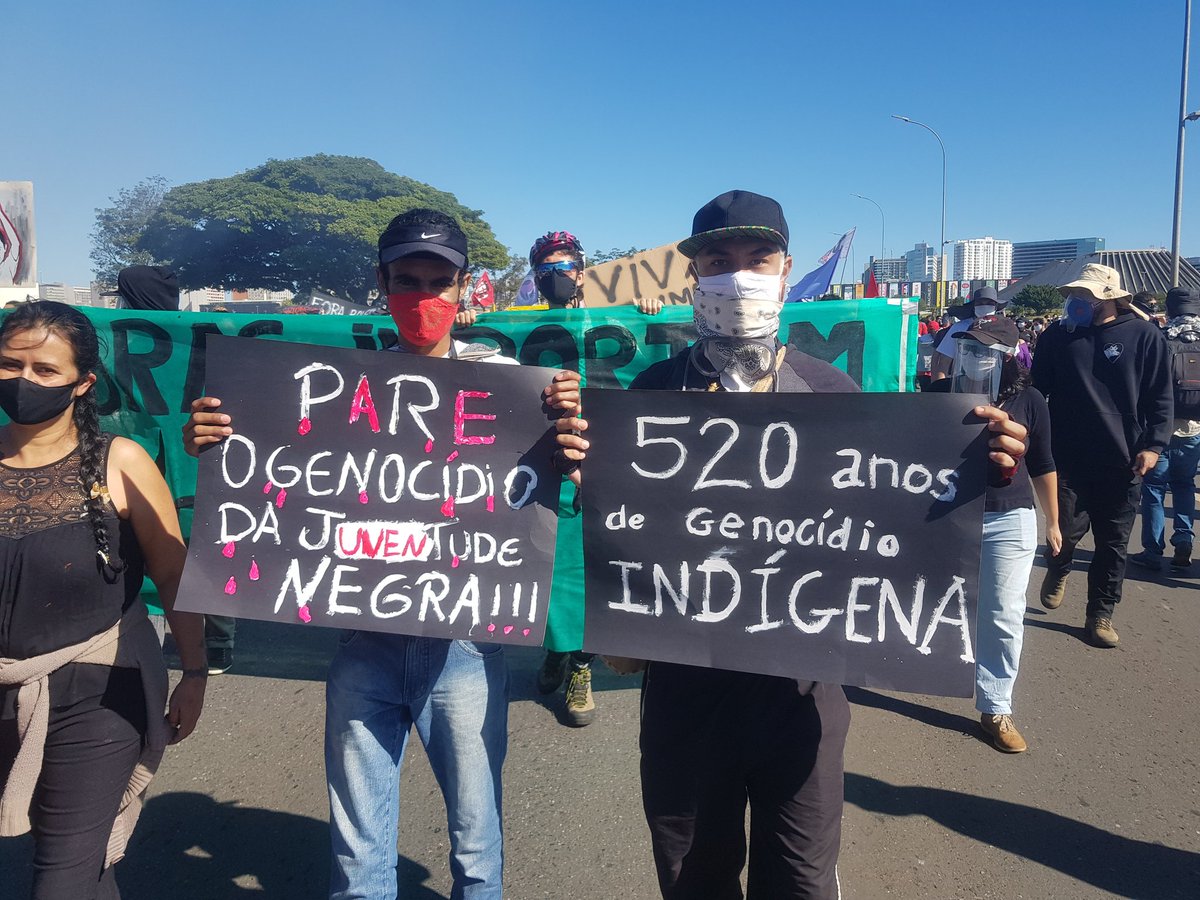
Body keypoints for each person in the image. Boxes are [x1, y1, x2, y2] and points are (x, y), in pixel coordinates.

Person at [545, 190, 1030, 899]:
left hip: (802, 693)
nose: (738, 276)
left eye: (757, 258)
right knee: (692, 877)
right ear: (694, 276)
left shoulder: (832, 392)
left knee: (801, 882)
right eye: (719, 260)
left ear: (786, 271)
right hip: (686, 691)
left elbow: (894, 519)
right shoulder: (648, 394)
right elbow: (614, 519)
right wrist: (576, 457)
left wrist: (981, 466)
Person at [185, 209, 517, 900]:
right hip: (366, 640)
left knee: (477, 842)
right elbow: (271, 469)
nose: (424, 296)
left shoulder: (507, 384)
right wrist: (214, 444)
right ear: (382, 283)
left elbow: (540, 489)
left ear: (464, 289)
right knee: (358, 856)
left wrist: (567, 445)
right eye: (407, 280)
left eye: (439, 281)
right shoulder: (333, 386)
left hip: (465, 646)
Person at [0, 300, 206, 899]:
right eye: (9, 365)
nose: (23, 382)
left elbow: (172, 573)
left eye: (44, 370)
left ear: (83, 382)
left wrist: (194, 671)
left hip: (101, 688)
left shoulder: (121, 462)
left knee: (61, 875)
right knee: (86, 863)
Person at [929, 314, 1059, 752]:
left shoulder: (1030, 400)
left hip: (1007, 516)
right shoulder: (934, 398)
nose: (975, 356)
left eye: (985, 349)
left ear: (1006, 355)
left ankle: (996, 705)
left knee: (1003, 612)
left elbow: (1043, 463)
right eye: (966, 346)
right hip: (940, 517)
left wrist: (1053, 521)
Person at [1031, 264, 1173, 648]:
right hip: (1066, 456)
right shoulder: (1056, 337)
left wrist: (1153, 445)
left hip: (1123, 456)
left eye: (1086, 296)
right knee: (1066, 534)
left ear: (1108, 297)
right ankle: (1059, 567)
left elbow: (1160, 395)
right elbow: (1036, 392)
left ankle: (1100, 614)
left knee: (1114, 543)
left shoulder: (1144, 336)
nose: (1077, 301)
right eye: (1075, 295)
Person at [522, 230, 598, 726]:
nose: (557, 274)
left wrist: (658, 313)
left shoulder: (613, 320)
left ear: (582, 270)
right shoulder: (516, 324)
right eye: (546, 266)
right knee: (546, 568)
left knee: (591, 572)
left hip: (598, 463)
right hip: (541, 464)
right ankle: (555, 649)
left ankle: (581, 666)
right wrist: (468, 323)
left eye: (565, 263)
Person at [1129, 286, 1200, 573]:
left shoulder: (1160, 338)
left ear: (1169, 310)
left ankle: (1153, 549)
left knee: (1155, 489)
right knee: (1184, 484)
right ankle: (1183, 538)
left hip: (1160, 428)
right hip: (1195, 427)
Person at [930, 286, 1007, 380]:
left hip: (995, 385)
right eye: (980, 303)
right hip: (962, 385)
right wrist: (938, 388)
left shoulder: (1004, 327)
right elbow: (944, 362)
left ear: (996, 306)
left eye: (989, 303)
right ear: (974, 306)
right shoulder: (959, 327)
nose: (985, 306)